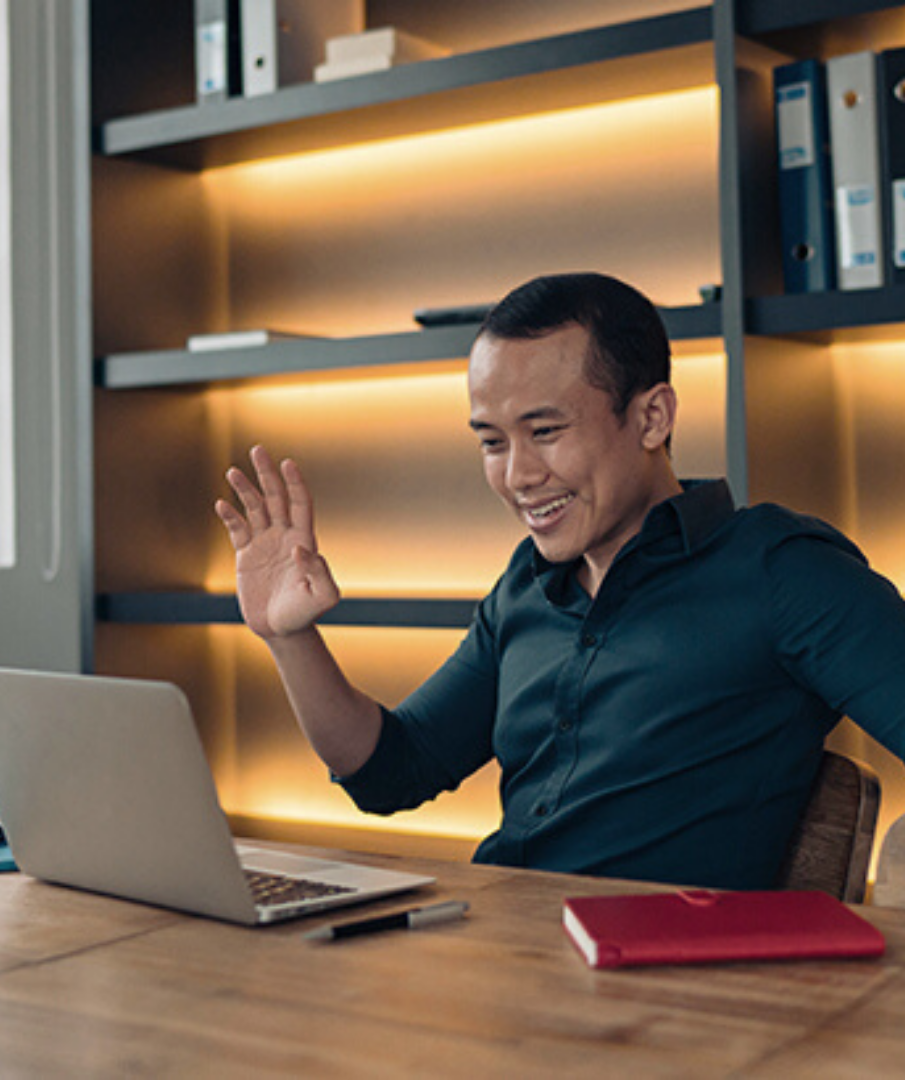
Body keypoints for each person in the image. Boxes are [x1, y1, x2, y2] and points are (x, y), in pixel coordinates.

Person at [215, 272, 905, 890]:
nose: (517, 476)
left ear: (651, 417)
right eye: (491, 441)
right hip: (505, 958)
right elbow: (391, 773)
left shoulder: (782, 569)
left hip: (668, 999)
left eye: (544, 431)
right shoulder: (526, 584)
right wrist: (291, 638)